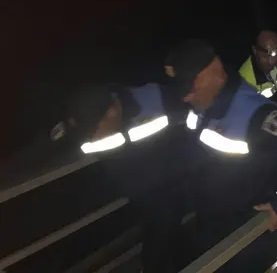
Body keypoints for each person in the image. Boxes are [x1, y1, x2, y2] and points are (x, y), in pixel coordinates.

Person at [164, 39, 277, 232]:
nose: (186, 98)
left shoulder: (254, 114)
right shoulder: (200, 105)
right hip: (211, 214)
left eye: (191, 90)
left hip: (245, 224)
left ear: (216, 76)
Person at [53, 82, 195, 273]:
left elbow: (191, 124)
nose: (90, 138)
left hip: (165, 182)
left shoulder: (157, 99)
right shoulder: (79, 121)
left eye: (94, 129)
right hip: (131, 187)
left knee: (164, 225)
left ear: (112, 112)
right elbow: (55, 136)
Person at [239, 30, 277, 99]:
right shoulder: (245, 80)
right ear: (255, 50)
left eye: (275, 55)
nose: (272, 62)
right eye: (265, 56)